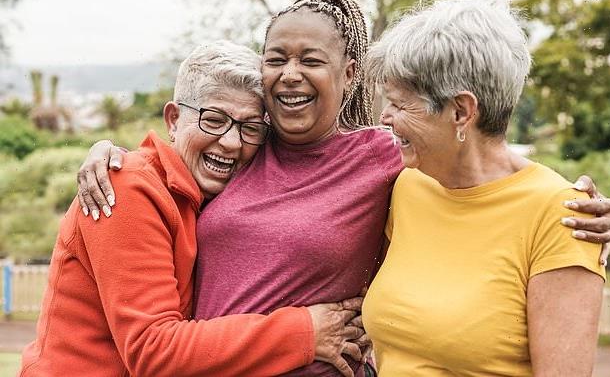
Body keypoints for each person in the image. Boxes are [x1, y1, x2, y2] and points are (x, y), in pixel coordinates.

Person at [76, 0, 610, 376]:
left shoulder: (385, 161)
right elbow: (182, 152)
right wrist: (112, 156)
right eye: (276, 59)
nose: (290, 74)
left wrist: (574, 203)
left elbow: (482, 162)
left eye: (311, 60)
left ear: (350, 73)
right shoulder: (243, 147)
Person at [20, 41, 368, 377]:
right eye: (213, 120)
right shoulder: (126, 188)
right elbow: (152, 349)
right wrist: (304, 332)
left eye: (249, 128)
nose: (231, 143)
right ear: (173, 119)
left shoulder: (214, 196)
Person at [362, 0, 610, 376]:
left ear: (461, 111)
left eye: (400, 104)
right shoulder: (408, 184)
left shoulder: (565, 216)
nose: (385, 117)